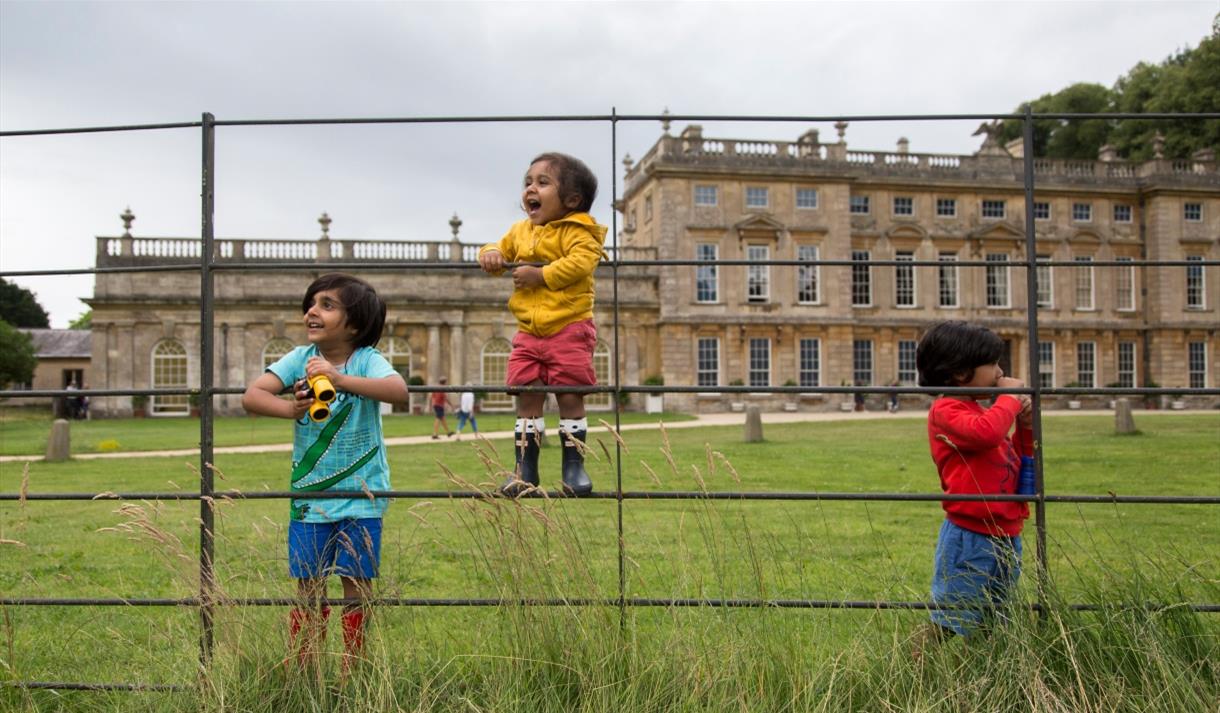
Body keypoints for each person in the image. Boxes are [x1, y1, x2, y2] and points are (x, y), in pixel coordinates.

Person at [241, 273, 408, 672]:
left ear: (354, 324)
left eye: (327, 305)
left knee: (357, 584)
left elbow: (398, 391)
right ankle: (306, 667)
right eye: (312, 303)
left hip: (363, 496)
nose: (312, 311)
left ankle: (354, 667)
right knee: (309, 585)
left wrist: (340, 380)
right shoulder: (299, 357)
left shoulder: (366, 359)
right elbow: (253, 395)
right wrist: (290, 409)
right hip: (310, 496)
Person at [478, 151, 607, 496]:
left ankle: (573, 467)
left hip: (569, 327)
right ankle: (525, 470)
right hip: (529, 332)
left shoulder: (581, 231)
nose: (530, 188)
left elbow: (582, 263)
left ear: (572, 200)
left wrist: (541, 275)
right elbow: (497, 247)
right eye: (528, 182)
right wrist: (490, 253)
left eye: (542, 182)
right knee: (527, 396)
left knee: (570, 396)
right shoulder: (520, 231)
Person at [911, 321, 1033, 658]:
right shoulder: (947, 410)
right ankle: (912, 672)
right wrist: (1008, 398)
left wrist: (1025, 426)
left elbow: (1021, 464)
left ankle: (975, 682)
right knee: (949, 619)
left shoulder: (982, 412)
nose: (1000, 371)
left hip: (1007, 532)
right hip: (971, 537)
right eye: (992, 364)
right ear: (962, 372)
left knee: (991, 622)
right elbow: (986, 434)